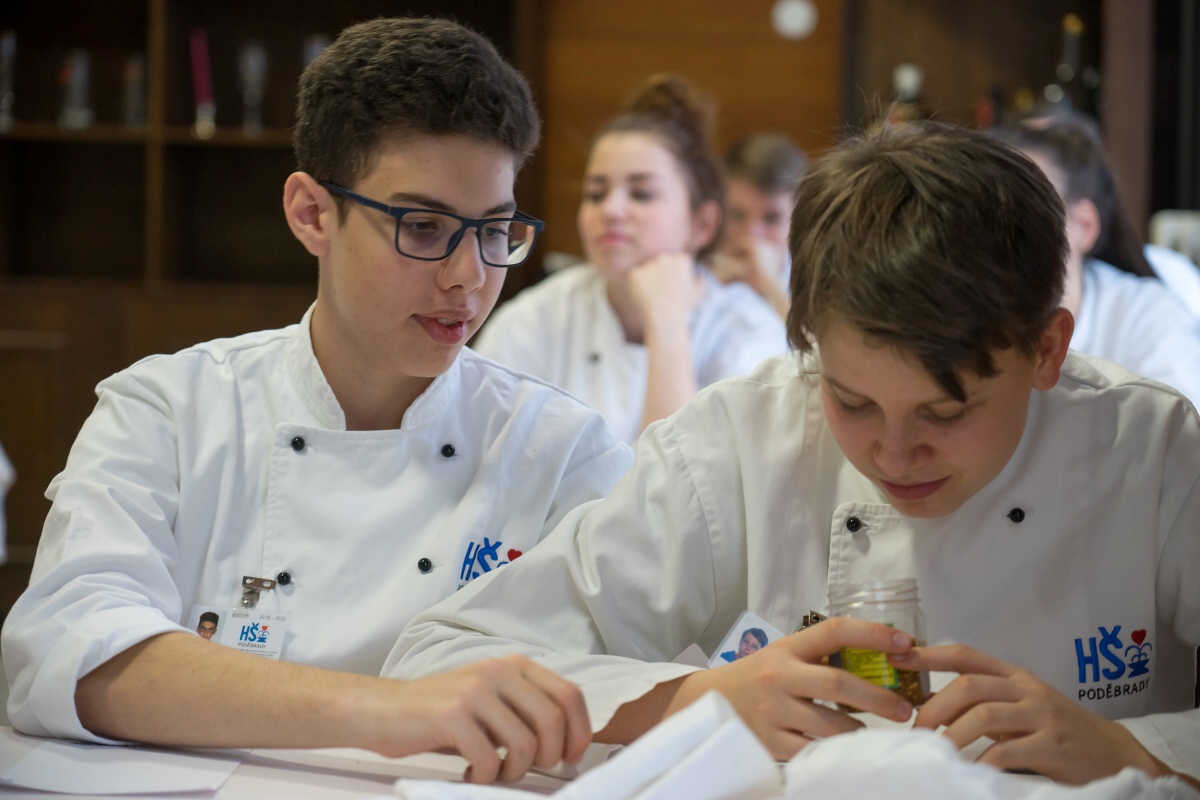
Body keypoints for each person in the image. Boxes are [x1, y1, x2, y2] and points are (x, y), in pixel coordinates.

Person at [388, 121, 1200, 787]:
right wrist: (698, 698)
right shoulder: (741, 441)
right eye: (852, 402)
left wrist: (1133, 749)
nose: (894, 453)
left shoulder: (1150, 452)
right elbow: (442, 657)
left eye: (946, 412)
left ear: (1047, 350)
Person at [1, 17, 633, 785]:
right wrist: (390, 709)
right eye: (423, 226)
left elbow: (625, 680)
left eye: (496, 231)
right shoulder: (171, 409)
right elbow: (69, 653)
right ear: (311, 214)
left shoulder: (563, 453)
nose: (469, 276)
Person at [473, 75, 789, 445]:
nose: (611, 210)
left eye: (641, 194)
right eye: (596, 194)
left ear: (701, 223)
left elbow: (680, 478)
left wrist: (667, 321)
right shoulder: (537, 317)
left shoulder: (746, 328)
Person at [1000, 115, 1200, 407]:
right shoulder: (965, 315)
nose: (997, 234)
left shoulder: (1147, 318)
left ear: (1084, 226)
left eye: (1021, 214)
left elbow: (1183, 426)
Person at [709, 133, 807, 320]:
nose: (752, 235)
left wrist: (771, 286)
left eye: (772, 218)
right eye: (737, 216)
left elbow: (816, 340)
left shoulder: (823, 281)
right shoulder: (694, 276)